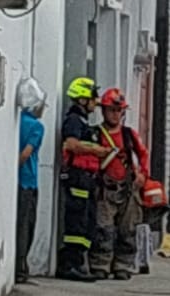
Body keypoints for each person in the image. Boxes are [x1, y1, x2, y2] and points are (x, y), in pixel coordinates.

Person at [89, 89, 148, 281]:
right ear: (103, 111)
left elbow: (143, 154)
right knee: (102, 229)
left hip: (128, 189)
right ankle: (100, 264)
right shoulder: (96, 134)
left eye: (118, 110)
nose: (115, 114)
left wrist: (143, 175)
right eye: (111, 110)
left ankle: (123, 265)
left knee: (127, 230)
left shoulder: (129, 135)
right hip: (104, 189)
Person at [58, 77, 107, 281]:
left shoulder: (83, 121)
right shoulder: (74, 120)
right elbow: (71, 144)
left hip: (87, 178)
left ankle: (77, 262)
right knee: (76, 221)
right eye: (93, 98)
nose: (96, 103)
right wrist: (96, 149)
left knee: (87, 220)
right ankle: (69, 264)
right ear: (83, 98)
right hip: (77, 177)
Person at [15, 80, 47, 285]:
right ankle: (20, 267)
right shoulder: (36, 127)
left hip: (16, 182)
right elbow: (27, 153)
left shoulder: (19, 122)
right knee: (26, 225)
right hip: (28, 182)